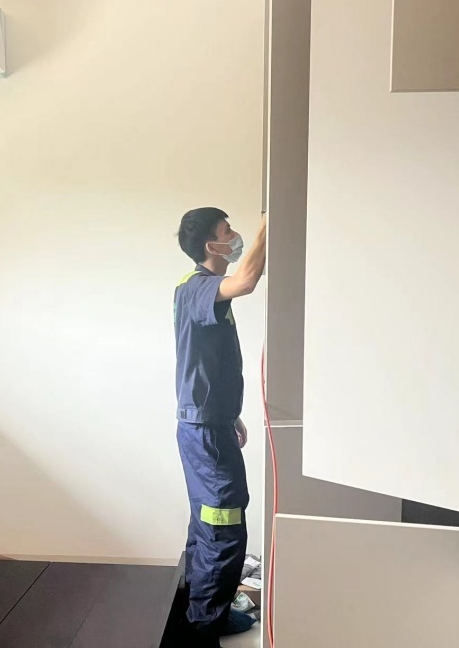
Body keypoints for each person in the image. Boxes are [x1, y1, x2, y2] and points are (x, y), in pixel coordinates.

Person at [173, 208, 267, 647]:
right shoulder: (198, 288)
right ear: (212, 246)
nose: (236, 236)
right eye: (228, 232)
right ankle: (203, 628)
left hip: (210, 425)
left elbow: (208, 365)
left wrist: (230, 414)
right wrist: (270, 222)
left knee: (207, 524)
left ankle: (203, 611)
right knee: (223, 528)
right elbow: (246, 280)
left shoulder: (204, 292)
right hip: (205, 434)